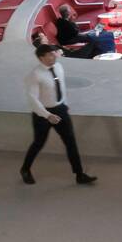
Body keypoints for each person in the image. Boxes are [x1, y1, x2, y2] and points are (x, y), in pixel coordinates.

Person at [20, 44, 97, 186]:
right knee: (38, 143)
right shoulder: (35, 75)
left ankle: (79, 175)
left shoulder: (59, 67)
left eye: (53, 53)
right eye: (49, 54)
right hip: (42, 114)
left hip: (60, 109)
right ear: (41, 58)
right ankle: (25, 169)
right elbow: (32, 99)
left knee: (70, 142)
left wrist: (64, 103)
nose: (54, 56)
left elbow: (60, 87)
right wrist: (47, 115)